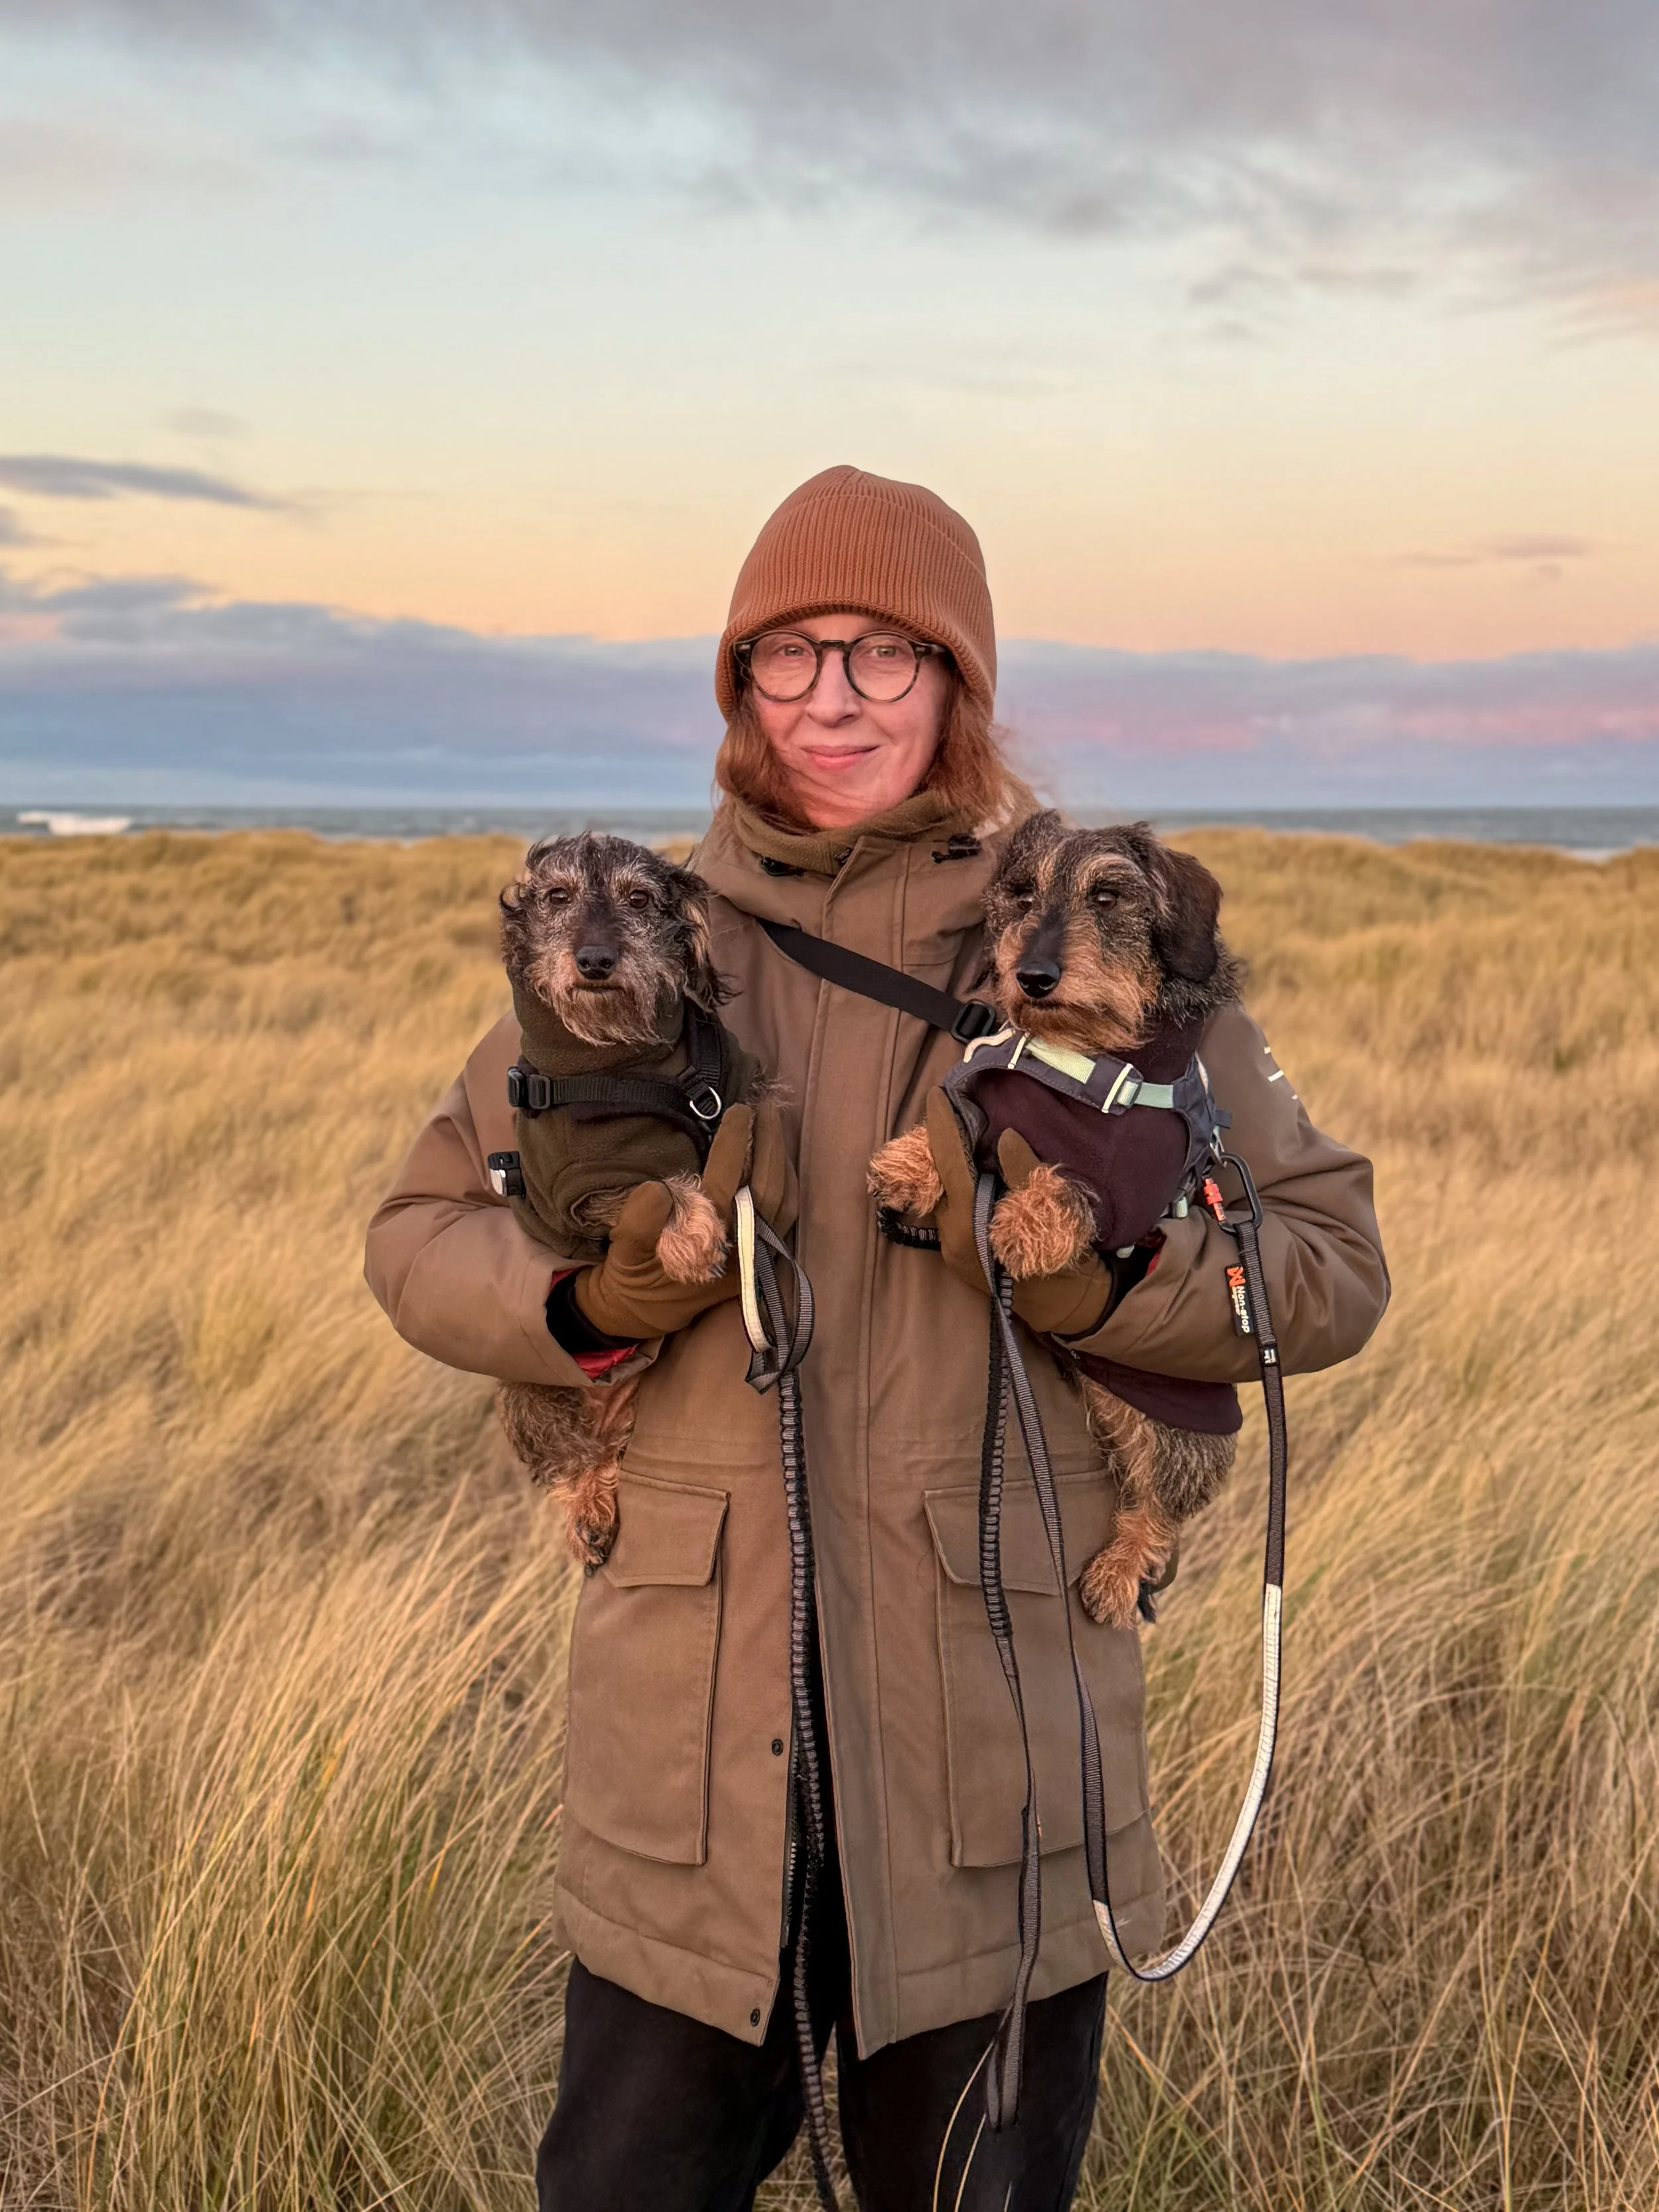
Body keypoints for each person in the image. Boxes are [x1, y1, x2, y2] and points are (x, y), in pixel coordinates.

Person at [364, 466, 1390, 2211]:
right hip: (691, 1777)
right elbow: (417, 1235)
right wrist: (585, 1305)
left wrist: (1082, 1280)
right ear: (739, 685)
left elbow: (1328, 1265)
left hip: (989, 1769)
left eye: (882, 656)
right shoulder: (641, 934)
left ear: (955, 686)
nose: (831, 697)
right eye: (788, 655)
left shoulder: (1087, 929)